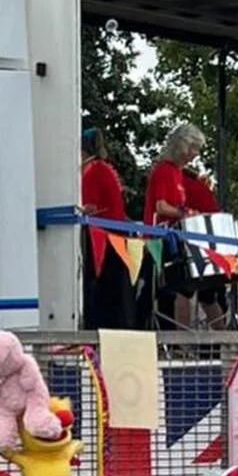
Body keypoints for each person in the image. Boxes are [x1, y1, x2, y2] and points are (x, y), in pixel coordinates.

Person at [145, 123, 207, 328]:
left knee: (176, 289)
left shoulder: (178, 173)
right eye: (194, 148)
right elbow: (161, 206)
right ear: (182, 146)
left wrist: (188, 213)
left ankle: (173, 337)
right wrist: (185, 213)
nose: (195, 154)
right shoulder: (165, 170)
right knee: (165, 291)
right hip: (158, 240)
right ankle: (165, 337)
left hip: (172, 238)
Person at [80, 128, 135, 331]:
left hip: (103, 239)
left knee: (102, 291)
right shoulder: (104, 168)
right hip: (114, 238)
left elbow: (90, 207)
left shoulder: (93, 171)